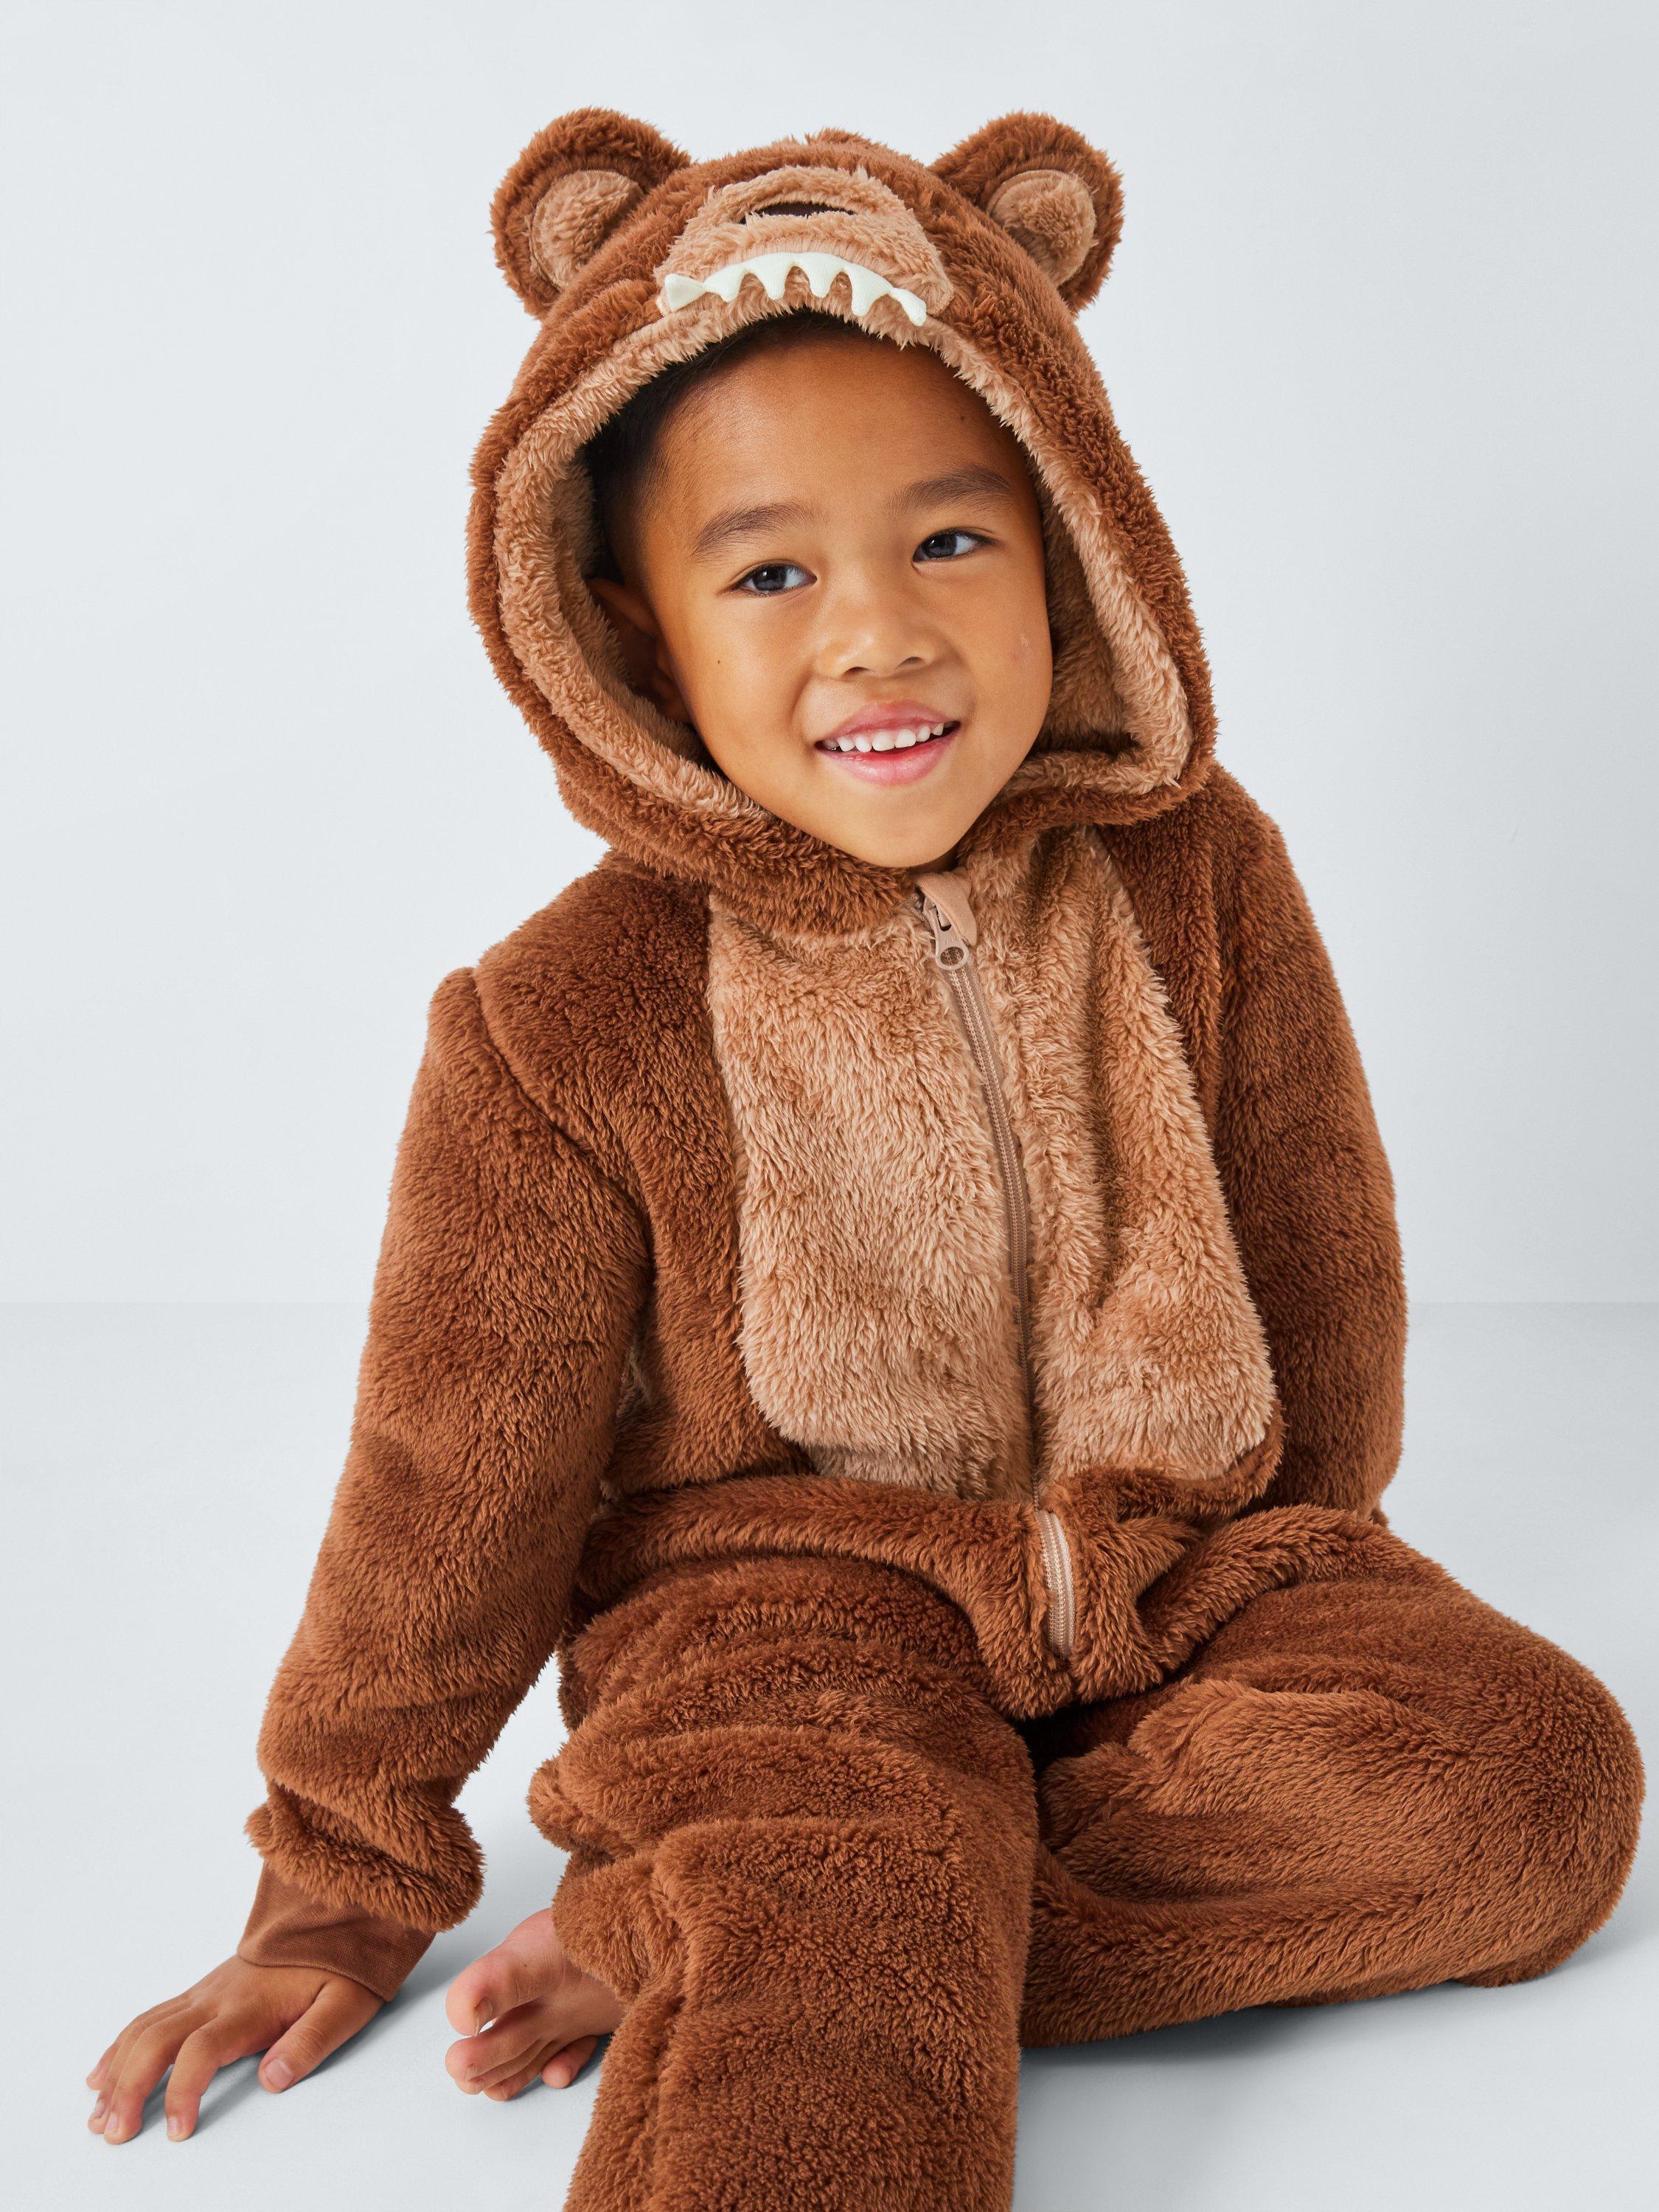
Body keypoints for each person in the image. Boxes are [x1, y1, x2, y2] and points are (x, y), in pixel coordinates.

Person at [83, 110, 1643, 2210]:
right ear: (632, 633)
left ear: (1072, 542)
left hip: (1173, 1567)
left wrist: (1316, 1563)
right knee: (845, 1856)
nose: (881, 634)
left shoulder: (1195, 870)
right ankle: (811, 1889)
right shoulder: (562, 1017)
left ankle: (740, 1914)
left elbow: (1312, 1234)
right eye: (770, 572)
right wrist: (344, 1875)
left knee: (1530, 1791)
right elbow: (448, 1478)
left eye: (951, 541)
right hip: (776, 1613)